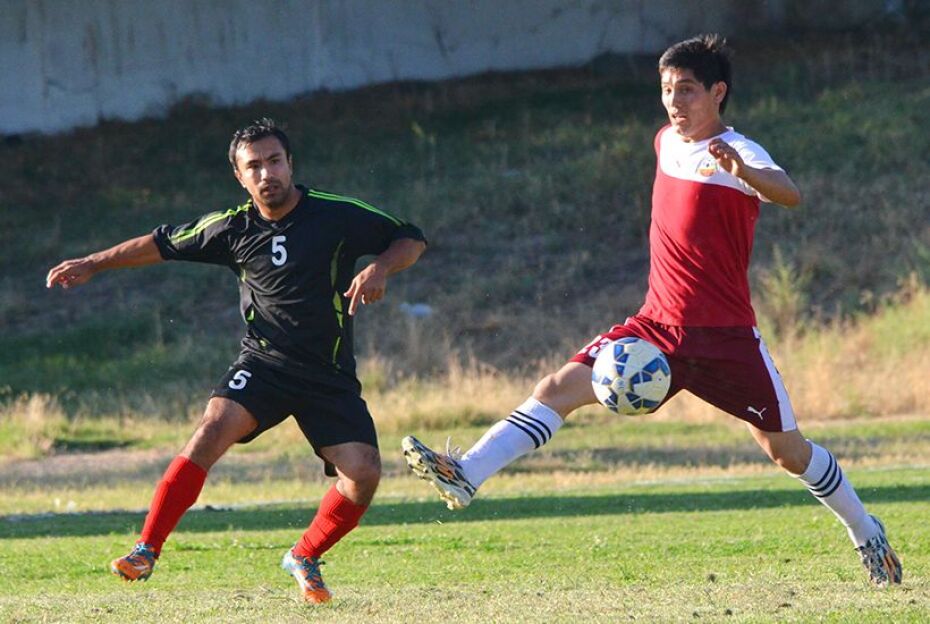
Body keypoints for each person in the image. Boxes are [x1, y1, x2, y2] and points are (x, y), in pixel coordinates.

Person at [402, 34, 902, 588]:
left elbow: (789, 192)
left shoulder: (738, 150)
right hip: (655, 328)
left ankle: (866, 532)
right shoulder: (665, 142)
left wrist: (743, 171)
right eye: (666, 89)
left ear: (718, 92)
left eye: (687, 90)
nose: (674, 101)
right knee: (556, 388)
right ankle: (467, 473)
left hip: (725, 339)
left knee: (786, 451)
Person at [46, 118, 427, 603]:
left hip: (327, 375)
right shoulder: (231, 228)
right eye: (255, 166)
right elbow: (161, 243)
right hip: (263, 365)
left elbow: (410, 236)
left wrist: (381, 266)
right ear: (240, 177)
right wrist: (93, 264)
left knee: (365, 473)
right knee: (210, 430)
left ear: (290, 164)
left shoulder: (337, 215)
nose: (267, 173)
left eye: (275, 161)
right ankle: (146, 549)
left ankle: (305, 554)